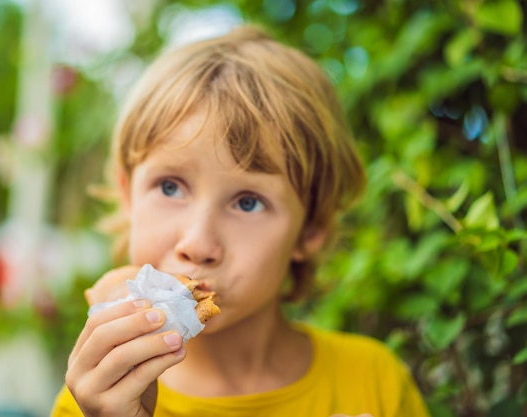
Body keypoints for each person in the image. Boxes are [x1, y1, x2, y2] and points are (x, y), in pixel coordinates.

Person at [50, 25, 430, 417]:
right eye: (169, 187)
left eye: (248, 202)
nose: (197, 243)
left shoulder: (374, 383)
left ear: (311, 228)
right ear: (128, 196)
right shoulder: (95, 400)